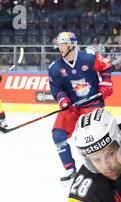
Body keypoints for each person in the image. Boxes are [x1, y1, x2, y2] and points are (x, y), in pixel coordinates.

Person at [48, 31, 113, 181]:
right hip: (73, 107)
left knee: (94, 137)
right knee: (58, 135)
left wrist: (106, 83)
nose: (60, 47)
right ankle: (70, 169)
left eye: (63, 44)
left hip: (92, 103)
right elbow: (56, 88)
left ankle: (104, 166)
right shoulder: (55, 68)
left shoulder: (89, 58)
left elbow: (107, 65)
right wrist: (63, 100)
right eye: (59, 44)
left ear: (71, 45)